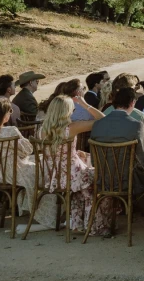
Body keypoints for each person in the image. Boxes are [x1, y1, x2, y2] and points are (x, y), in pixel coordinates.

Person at [37, 96, 111, 233]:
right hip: (72, 176)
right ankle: (94, 225)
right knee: (100, 180)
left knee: (81, 186)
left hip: (53, 177)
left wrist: (75, 152)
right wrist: (85, 103)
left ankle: (77, 224)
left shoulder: (42, 130)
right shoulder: (71, 128)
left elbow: (57, 151)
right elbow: (103, 119)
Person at [90, 86, 144, 198]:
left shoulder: (97, 124)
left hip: (102, 180)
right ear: (132, 102)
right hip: (127, 182)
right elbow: (143, 161)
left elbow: (93, 161)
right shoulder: (136, 125)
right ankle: (139, 207)